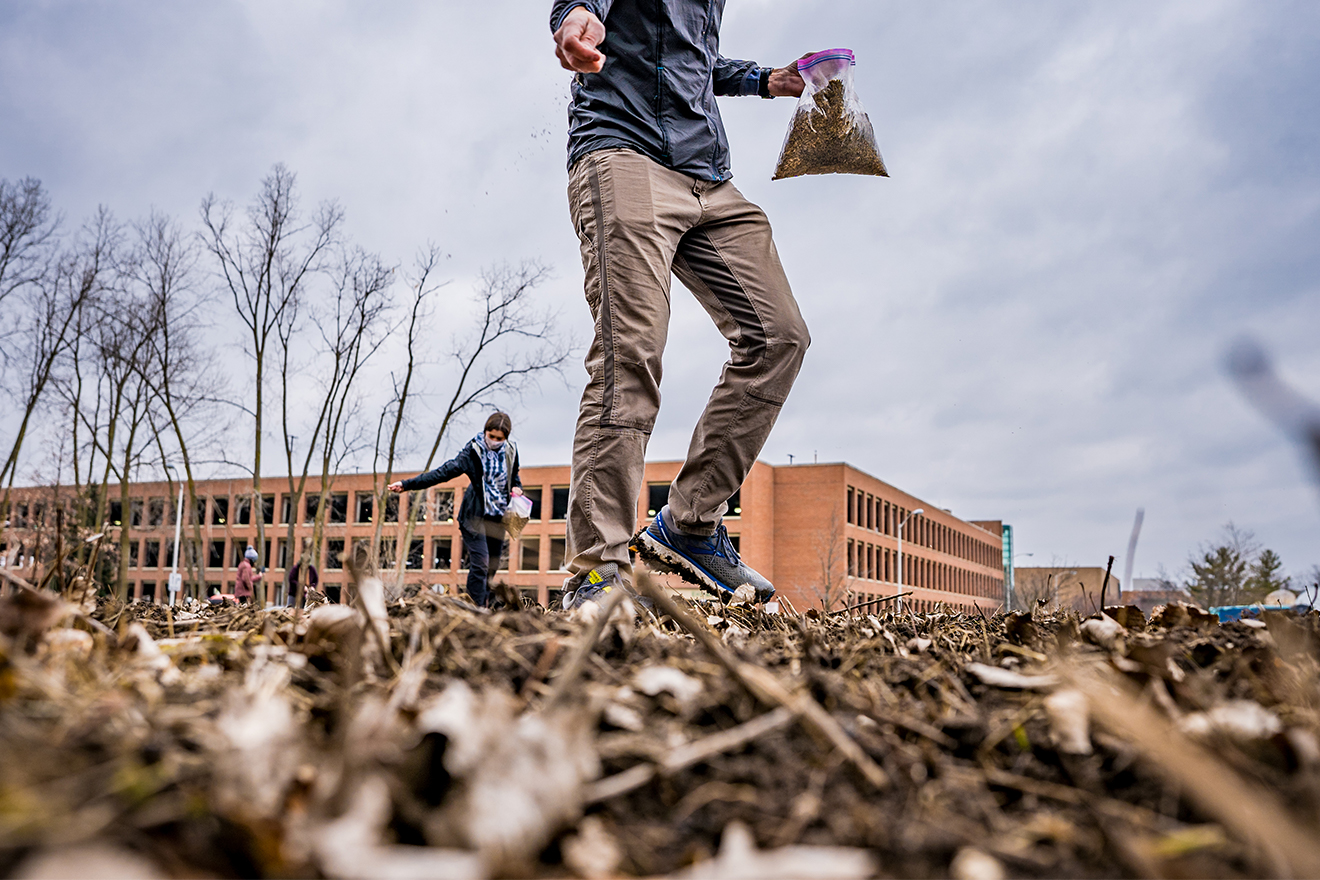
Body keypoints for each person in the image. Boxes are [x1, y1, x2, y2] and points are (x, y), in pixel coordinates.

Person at [551, 2, 811, 608]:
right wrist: (576, 16)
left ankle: (689, 524)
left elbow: (688, 57)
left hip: (707, 177)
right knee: (631, 353)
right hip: (623, 151)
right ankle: (597, 569)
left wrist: (763, 79)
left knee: (779, 336)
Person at [388, 412, 523, 608]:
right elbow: (443, 472)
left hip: (499, 516)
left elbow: (514, 476)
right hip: (474, 516)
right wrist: (407, 484)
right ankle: (474, 608)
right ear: (485, 432)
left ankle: (483, 606)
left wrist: (516, 488)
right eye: (490, 436)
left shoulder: (511, 451)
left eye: (498, 438)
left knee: (491, 567)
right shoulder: (473, 452)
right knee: (481, 563)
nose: (493, 441)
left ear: (506, 438)